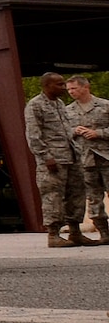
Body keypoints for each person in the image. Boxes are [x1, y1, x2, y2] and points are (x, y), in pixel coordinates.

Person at [26, 74, 91, 247]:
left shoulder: (60, 104)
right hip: (53, 159)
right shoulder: (35, 105)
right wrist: (46, 157)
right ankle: (53, 234)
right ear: (47, 85)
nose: (64, 88)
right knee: (52, 196)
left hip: (71, 156)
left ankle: (75, 232)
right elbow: (33, 135)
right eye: (60, 84)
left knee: (76, 194)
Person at [66, 77, 109, 240]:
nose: (71, 92)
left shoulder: (105, 106)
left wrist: (99, 133)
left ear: (86, 87)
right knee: (93, 195)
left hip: (105, 156)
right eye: (68, 89)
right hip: (84, 158)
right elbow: (61, 133)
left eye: (74, 88)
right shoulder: (67, 111)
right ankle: (103, 231)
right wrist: (73, 131)